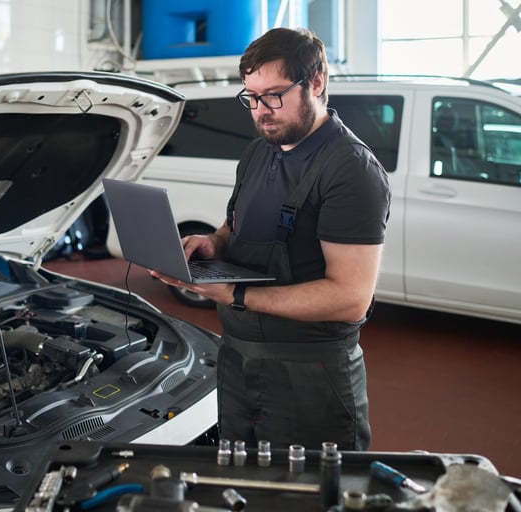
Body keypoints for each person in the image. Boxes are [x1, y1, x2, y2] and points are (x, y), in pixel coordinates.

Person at [150, 27, 390, 451]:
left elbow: (350, 297)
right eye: (251, 97)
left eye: (274, 95)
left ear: (316, 82)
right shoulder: (259, 151)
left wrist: (234, 295)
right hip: (238, 359)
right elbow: (233, 226)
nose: (261, 111)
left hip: (310, 375)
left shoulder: (350, 170)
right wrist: (213, 243)